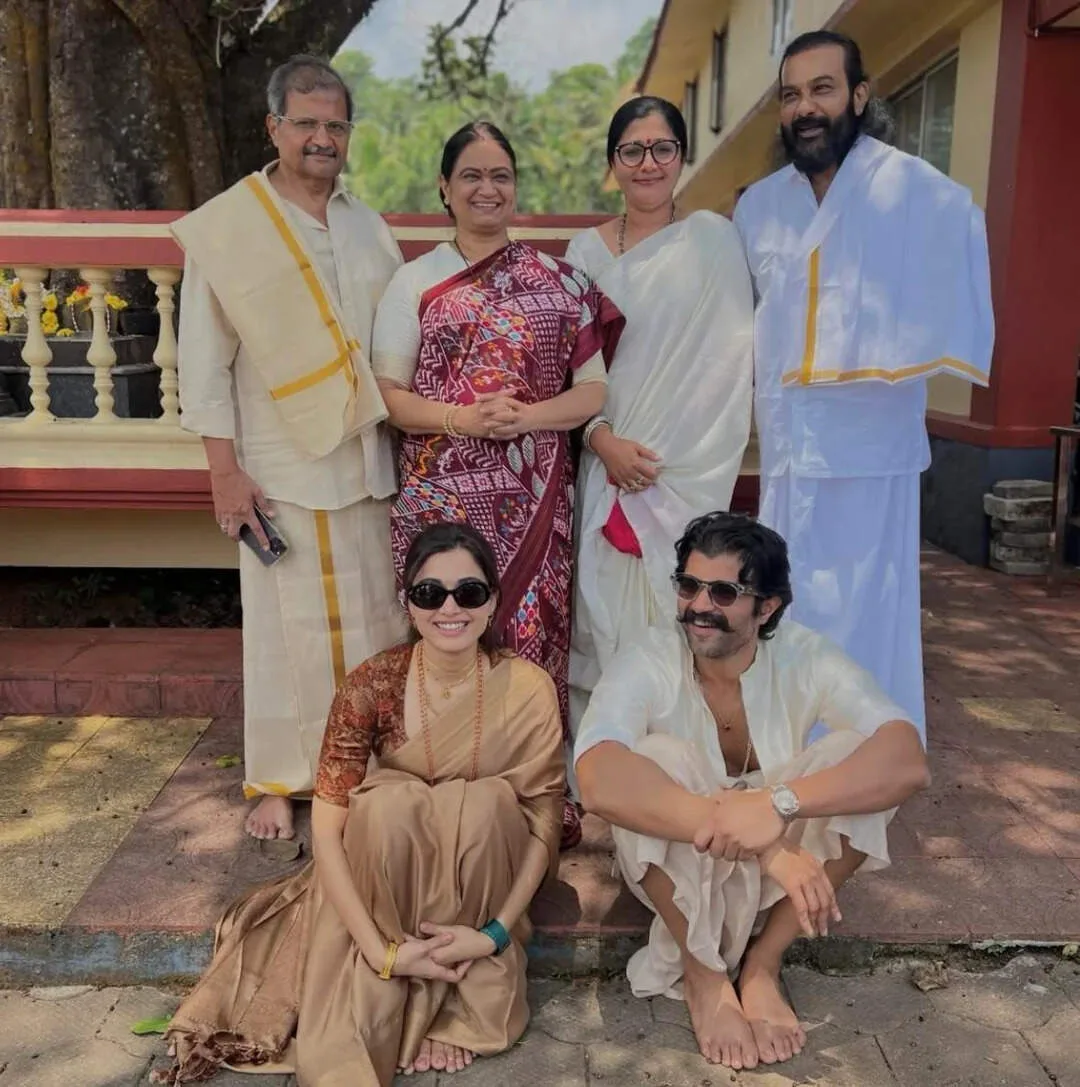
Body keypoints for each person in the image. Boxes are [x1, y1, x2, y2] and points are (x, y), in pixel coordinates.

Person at [163, 522, 565, 1085]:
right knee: (382, 806)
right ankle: (404, 984)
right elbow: (329, 832)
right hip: (391, 876)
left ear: (493, 600)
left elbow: (543, 820)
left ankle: (449, 1002)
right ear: (407, 601)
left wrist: (494, 934)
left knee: (489, 805)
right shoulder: (371, 684)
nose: (451, 608)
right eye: (430, 593)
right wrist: (383, 955)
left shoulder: (527, 687)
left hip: (484, 881)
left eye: (469, 592)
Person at [574, 512, 930, 1071]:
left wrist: (775, 805)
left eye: (723, 592)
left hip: (769, 855)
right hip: (683, 858)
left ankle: (764, 963)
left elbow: (907, 758)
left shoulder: (804, 652)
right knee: (656, 758)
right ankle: (703, 973)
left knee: (856, 755)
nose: (699, 605)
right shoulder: (650, 652)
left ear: (767, 607)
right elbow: (596, 775)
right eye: (689, 586)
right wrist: (766, 843)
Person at [733, 31, 993, 742]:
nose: (806, 108)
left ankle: (870, 749)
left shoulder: (910, 191)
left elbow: (963, 238)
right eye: (791, 95)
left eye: (822, 89)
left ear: (858, 95)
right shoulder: (758, 206)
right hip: (788, 449)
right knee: (787, 599)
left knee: (867, 606)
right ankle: (792, 740)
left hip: (870, 450)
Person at [174, 55, 406, 841]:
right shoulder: (231, 228)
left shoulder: (367, 225)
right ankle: (279, 778)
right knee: (284, 627)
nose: (321, 137)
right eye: (305, 122)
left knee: (375, 619)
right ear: (273, 127)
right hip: (275, 465)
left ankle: (365, 768)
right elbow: (204, 363)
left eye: (335, 124)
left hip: (366, 458)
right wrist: (223, 473)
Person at [372, 121, 622, 848]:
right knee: (450, 632)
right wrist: (462, 419)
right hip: (440, 495)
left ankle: (534, 794)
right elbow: (388, 395)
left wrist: (526, 417)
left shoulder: (562, 282)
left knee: (534, 637)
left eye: (501, 175)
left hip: (537, 496)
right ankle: (443, 788)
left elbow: (592, 393)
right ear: (444, 190)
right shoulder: (414, 282)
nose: (488, 188)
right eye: (472, 176)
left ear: (516, 187)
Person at [565, 96, 753, 731]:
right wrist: (603, 442)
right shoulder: (583, 253)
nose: (648, 164)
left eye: (662, 148)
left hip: (681, 469)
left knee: (678, 608)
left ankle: (673, 749)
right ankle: (600, 753)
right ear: (612, 163)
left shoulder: (714, 242)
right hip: (604, 459)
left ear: (682, 155)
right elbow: (565, 367)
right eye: (632, 151)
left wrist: (669, 461)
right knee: (598, 611)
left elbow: (728, 364)